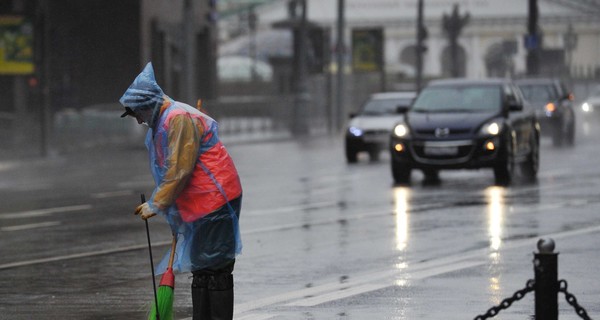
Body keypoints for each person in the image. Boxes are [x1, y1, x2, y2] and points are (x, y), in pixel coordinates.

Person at [119, 62, 243, 320]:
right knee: (202, 267)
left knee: (216, 268)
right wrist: (169, 206)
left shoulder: (178, 118)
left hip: (215, 199)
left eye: (137, 113)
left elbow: (180, 169)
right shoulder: (165, 122)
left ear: (148, 104)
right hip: (200, 201)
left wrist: (157, 203)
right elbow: (169, 170)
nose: (139, 119)